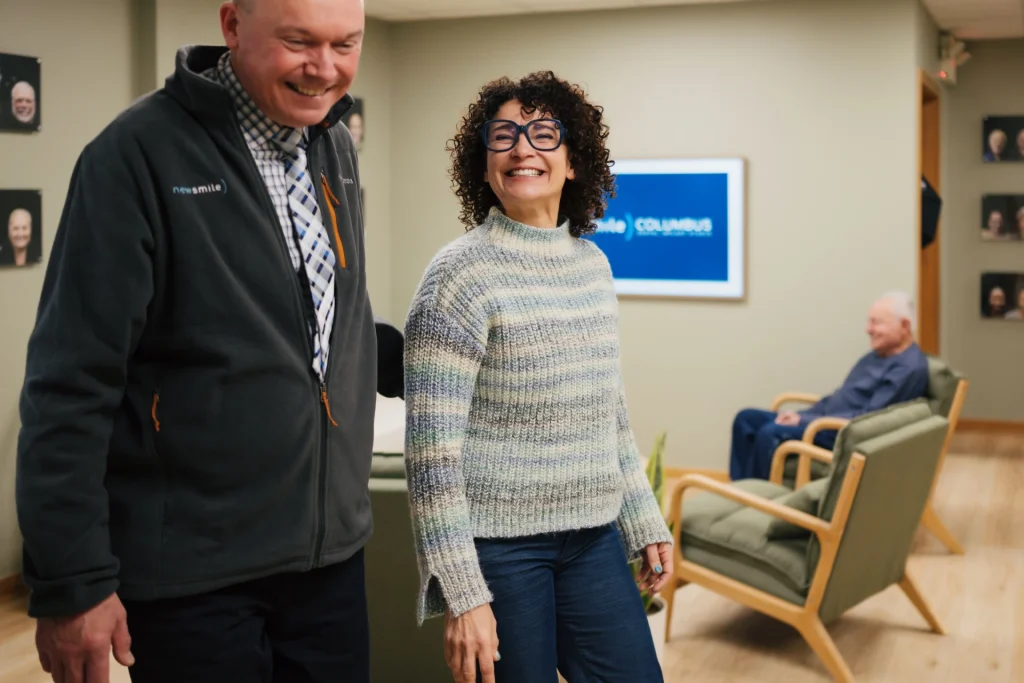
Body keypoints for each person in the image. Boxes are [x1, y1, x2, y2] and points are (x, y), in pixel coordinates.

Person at [14, 1, 394, 682]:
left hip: (329, 561)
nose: (325, 69)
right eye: (300, 42)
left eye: (347, 43)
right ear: (231, 26)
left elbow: (323, 319)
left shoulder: (332, 145)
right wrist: (73, 579)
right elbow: (70, 384)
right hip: (194, 576)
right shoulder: (133, 156)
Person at [403, 71, 673, 683]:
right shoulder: (458, 278)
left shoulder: (593, 266)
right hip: (502, 551)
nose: (523, 147)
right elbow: (431, 459)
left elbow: (610, 413)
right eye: (505, 136)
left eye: (544, 133)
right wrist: (463, 591)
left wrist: (642, 515)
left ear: (574, 161)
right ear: (484, 164)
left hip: (593, 539)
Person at [729, 291, 930, 481]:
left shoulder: (908, 369)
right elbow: (841, 396)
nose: (868, 329)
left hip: (839, 433)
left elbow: (869, 419)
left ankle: (760, 502)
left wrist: (804, 420)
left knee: (770, 432)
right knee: (746, 418)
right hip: (821, 420)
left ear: (904, 326)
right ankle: (741, 492)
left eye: (876, 322)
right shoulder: (877, 355)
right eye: (869, 321)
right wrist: (804, 415)